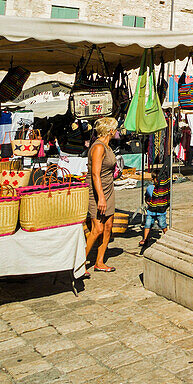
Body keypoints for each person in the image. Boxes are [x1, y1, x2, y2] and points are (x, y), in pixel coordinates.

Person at [84, 117, 119, 273]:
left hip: (108, 188)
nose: (117, 132)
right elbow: (95, 174)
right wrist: (101, 198)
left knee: (108, 227)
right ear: (110, 131)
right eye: (115, 129)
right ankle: (79, 263)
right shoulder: (98, 147)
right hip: (97, 191)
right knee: (97, 228)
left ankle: (99, 262)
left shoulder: (107, 146)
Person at [140, 165, 170, 253]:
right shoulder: (150, 188)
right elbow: (146, 197)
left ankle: (168, 237)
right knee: (147, 224)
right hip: (151, 211)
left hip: (161, 211)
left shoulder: (163, 188)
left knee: (163, 225)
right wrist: (147, 202)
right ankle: (145, 239)